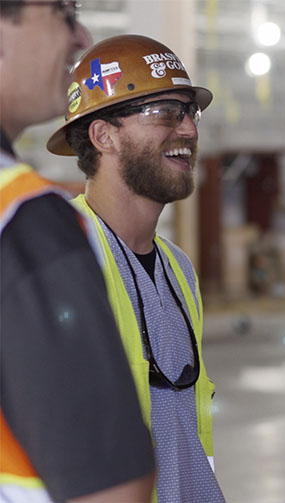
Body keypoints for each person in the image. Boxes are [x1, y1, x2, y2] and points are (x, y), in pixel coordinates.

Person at [46, 34, 225, 502]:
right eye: (166, 111)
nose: (188, 130)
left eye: (190, 112)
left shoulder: (178, 270)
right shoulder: (58, 260)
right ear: (102, 135)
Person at [0, 2, 155, 502]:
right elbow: (110, 487)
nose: (80, 34)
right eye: (63, 13)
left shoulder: (179, 269)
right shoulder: (21, 217)